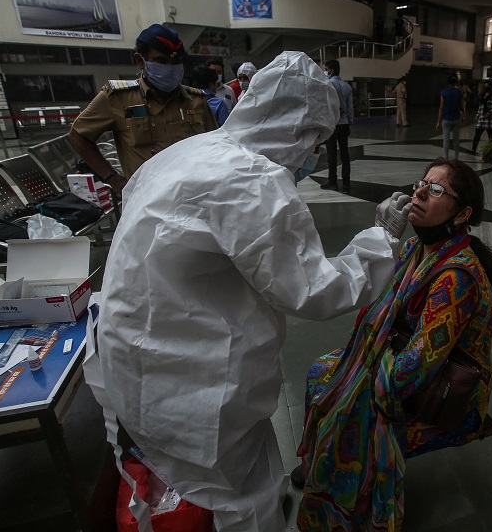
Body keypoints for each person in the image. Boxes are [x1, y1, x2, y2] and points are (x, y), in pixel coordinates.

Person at [96, 51, 413, 532]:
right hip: (192, 382)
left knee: (184, 479)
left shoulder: (188, 150)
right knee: (238, 496)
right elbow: (313, 291)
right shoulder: (251, 181)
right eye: (315, 141)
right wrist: (383, 240)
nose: (312, 155)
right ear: (299, 130)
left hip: (133, 357)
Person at [294, 158, 492, 531]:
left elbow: (413, 372)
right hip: (405, 360)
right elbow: (378, 306)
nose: (421, 191)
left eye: (438, 189)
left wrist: (361, 377)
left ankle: (343, 503)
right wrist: (380, 234)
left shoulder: (455, 279)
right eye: (422, 182)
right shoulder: (416, 247)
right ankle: (322, 464)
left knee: (347, 414)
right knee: (321, 372)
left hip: (449, 398)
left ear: (462, 215)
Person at [69, 24, 216, 194]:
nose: (170, 68)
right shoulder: (118, 98)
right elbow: (78, 134)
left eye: (176, 62)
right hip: (147, 203)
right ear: (140, 61)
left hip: (196, 197)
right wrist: (112, 178)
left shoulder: (196, 101)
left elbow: (214, 145)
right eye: (161, 61)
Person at [320, 59, 354, 193]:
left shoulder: (328, 85)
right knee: (345, 154)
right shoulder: (347, 86)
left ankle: (332, 182)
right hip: (344, 124)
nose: (325, 72)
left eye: (326, 69)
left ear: (331, 70)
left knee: (332, 154)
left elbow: (325, 106)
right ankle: (346, 184)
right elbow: (350, 108)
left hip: (333, 125)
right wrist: (350, 122)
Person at [436, 76, 464, 159]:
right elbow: (462, 106)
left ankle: (446, 157)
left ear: (448, 83)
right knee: (456, 139)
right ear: (455, 83)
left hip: (446, 118)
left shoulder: (444, 93)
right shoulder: (459, 93)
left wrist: (438, 122)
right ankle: (456, 157)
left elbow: (441, 108)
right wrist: (463, 115)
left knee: (446, 140)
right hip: (456, 118)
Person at [472, 80, 492, 154]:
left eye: (488, 86)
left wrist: (490, 113)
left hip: (490, 119)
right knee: (477, 134)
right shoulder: (482, 95)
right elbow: (480, 106)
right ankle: (473, 149)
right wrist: (477, 116)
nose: (486, 87)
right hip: (481, 118)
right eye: (485, 86)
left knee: (491, 135)